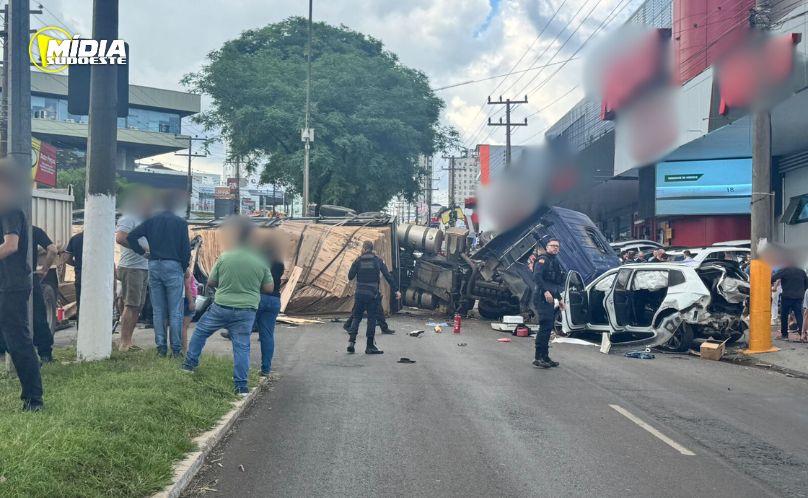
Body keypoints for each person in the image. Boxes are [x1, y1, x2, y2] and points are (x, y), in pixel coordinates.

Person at [181, 219, 273, 395]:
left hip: (222, 306)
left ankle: (189, 365)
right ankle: (241, 386)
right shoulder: (260, 261)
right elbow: (269, 288)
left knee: (200, 331)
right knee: (242, 346)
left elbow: (212, 281)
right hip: (246, 309)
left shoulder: (225, 257)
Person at [0, 162, 44, 411]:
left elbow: (10, 246)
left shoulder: (10, 210)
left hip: (12, 286)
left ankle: (34, 399)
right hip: (4, 284)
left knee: (18, 342)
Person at [127, 193, 190, 357]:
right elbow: (186, 250)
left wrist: (142, 252)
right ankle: (176, 349)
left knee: (158, 310)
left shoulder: (151, 221)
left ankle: (160, 348)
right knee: (175, 310)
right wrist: (183, 268)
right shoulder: (181, 223)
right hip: (174, 265)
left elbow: (131, 236)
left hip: (154, 264)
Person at [346, 240, 401, 355]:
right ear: (372, 248)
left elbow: (350, 276)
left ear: (363, 248)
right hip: (372, 295)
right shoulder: (378, 261)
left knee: (356, 317)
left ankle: (351, 342)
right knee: (371, 319)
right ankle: (370, 346)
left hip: (360, 294)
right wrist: (396, 290)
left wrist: (355, 262)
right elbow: (388, 276)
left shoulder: (358, 260)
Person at [115, 192, 152, 352]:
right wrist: (141, 250)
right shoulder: (129, 217)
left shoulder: (145, 220)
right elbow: (121, 238)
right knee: (131, 304)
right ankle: (124, 342)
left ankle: (129, 340)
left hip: (143, 267)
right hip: (132, 267)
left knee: (138, 305)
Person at [532, 237, 565, 369]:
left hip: (550, 297)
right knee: (545, 326)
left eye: (557, 246)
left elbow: (554, 283)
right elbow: (537, 277)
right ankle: (538, 357)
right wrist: (545, 291)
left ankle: (545, 356)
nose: (555, 248)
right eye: (552, 245)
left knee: (548, 327)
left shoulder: (554, 261)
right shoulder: (543, 260)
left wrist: (560, 299)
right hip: (541, 296)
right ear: (547, 247)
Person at [255, 238, 285, 376]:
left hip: (258, 297)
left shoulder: (258, 262)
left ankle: (241, 367)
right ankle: (266, 369)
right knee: (267, 335)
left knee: (243, 331)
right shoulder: (279, 264)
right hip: (274, 300)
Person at [771, 264, 808, 341]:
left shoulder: (785, 270)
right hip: (799, 296)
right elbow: (806, 284)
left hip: (787, 296)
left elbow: (773, 278)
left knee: (784, 315)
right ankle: (802, 334)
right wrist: (801, 291)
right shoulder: (801, 271)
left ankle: (784, 335)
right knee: (799, 315)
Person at [65, 230, 84, 320]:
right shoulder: (100, 239)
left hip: (80, 275)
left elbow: (67, 258)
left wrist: (77, 265)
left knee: (81, 304)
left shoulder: (75, 238)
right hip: (97, 278)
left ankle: (80, 329)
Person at [182, 269, 197, 352]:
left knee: (183, 326)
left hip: (186, 298)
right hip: (189, 299)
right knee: (184, 326)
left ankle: (181, 348)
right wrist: (191, 302)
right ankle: (183, 349)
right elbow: (187, 287)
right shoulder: (187, 272)